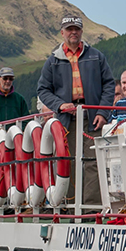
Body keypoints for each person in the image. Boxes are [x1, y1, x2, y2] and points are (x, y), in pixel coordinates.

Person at [36, 14, 115, 204]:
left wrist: (103, 113)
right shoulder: (53, 60)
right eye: (69, 29)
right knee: (68, 163)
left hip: (92, 118)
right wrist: (60, 105)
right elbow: (42, 89)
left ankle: (90, 209)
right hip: (66, 120)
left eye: (77, 29)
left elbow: (109, 85)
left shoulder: (96, 56)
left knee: (93, 162)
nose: (73, 32)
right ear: (62, 33)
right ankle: (72, 208)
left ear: (82, 32)